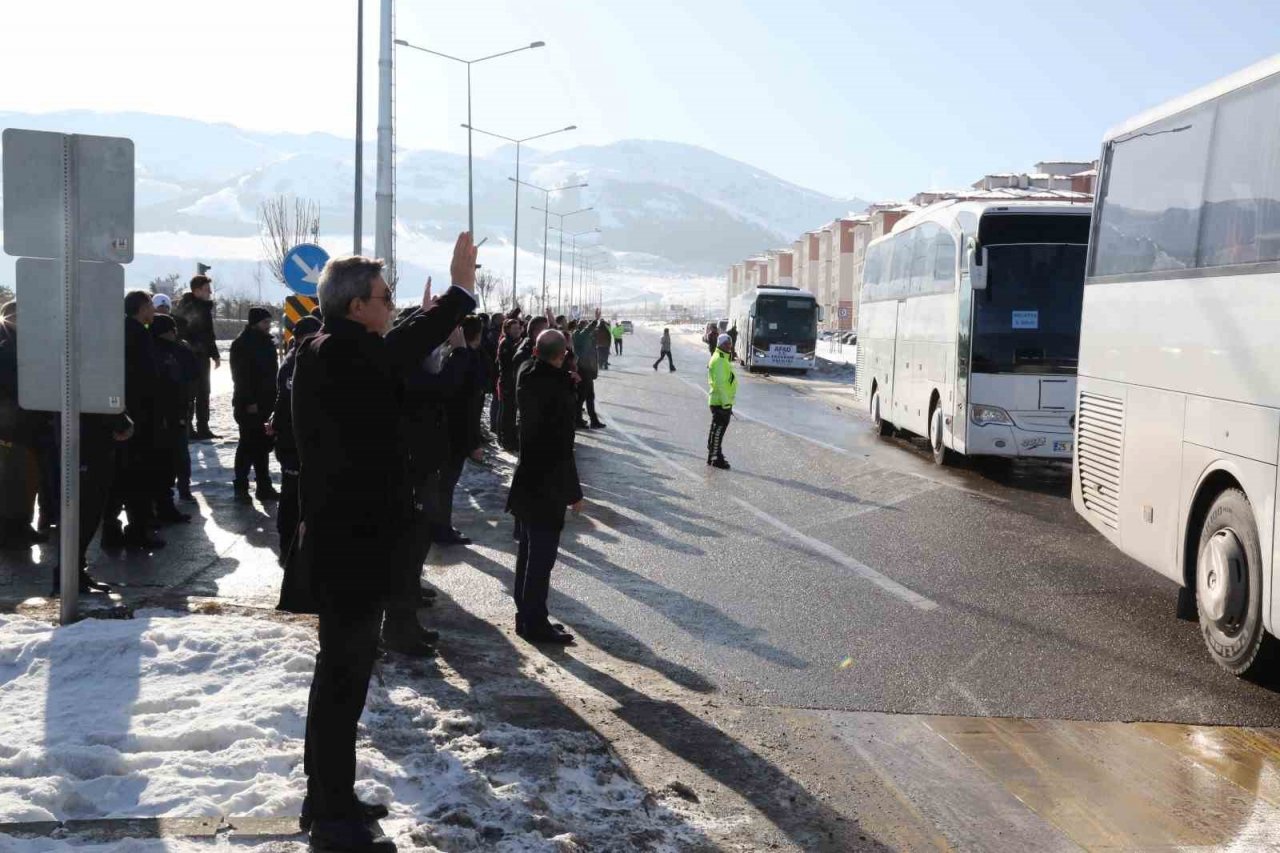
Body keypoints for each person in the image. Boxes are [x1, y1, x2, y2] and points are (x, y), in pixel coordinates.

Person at [279, 235, 476, 853]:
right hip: (351, 548)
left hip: (348, 543)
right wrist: (459, 292)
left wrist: (429, 310)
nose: (392, 306)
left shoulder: (334, 349)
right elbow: (399, 352)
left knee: (342, 682)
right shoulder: (343, 353)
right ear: (356, 306)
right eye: (386, 298)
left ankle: (328, 797)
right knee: (342, 684)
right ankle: (331, 817)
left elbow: (394, 349)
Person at [507, 328, 583, 645]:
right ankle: (535, 623)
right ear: (562, 356)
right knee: (540, 560)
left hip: (526, 480)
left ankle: (525, 616)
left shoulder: (526, 375)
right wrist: (574, 493)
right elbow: (562, 448)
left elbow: (533, 359)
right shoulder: (558, 394)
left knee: (527, 555)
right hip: (547, 485)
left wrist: (565, 375)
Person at [103, 291, 164, 550]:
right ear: (142, 307)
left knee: (119, 477)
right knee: (137, 476)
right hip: (137, 416)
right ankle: (138, 531)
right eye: (150, 305)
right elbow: (144, 378)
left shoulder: (123, 331)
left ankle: (111, 530)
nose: (154, 309)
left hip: (127, 414)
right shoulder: (137, 334)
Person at [270, 315, 321, 564]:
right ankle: (288, 548)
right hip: (294, 444)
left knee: (301, 497)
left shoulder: (301, 360)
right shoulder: (295, 364)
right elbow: (286, 405)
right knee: (292, 498)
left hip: (299, 441)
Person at [0, 302, 51, 548]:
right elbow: (16, 385)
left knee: (26, 479)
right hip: (13, 425)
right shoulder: (7, 347)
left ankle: (20, 525)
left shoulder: (18, 344)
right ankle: (11, 531)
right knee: (15, 479)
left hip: (24, 423)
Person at [435, 316, 487, 546]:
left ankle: (439, 526)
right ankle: (442, 529)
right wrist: (474, 443)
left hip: (445, 429)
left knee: (443, 484)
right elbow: (469, 407)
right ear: (478, 335)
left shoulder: (451, 355)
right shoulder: (468, 360)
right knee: (446, 484)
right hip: (456, 433)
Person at [230, 307, 280, 501]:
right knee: (247, 446)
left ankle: (263, 486)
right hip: (249, 405)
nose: (268, 326)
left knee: (262, 446)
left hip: (266, 403)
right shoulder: (242, 344)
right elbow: (240, 377)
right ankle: (241, 487)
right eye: (264, 322)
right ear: (254, 323)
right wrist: (249, 401)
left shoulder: (267, 343)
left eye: (269, 322)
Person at [149, 315, 193, 524]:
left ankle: (163, 505)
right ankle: (162, 507)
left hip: (170, 415)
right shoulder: (163, 352)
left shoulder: (169, 350)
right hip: (166, 417)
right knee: (167, 462)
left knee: (169, 462)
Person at [175, 275, 220, 439]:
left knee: (204, 392)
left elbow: (209, 334)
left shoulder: (205, 308)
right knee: (190, 394)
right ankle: (188, 428)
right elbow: (182, 333)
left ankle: (203, 427)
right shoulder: (186, 307)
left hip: (203, 357)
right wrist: (193, 347)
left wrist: (214, 354)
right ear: (197, 290)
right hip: (189, 357)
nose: (210, 292)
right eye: (207, 289)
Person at [707, 333, 737, 470]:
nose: (729, 346)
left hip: (722, 401)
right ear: (720, 344)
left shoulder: (723, 358)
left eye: (730, 343)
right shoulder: (719, 359)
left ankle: (715, 454)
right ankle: (715, 458)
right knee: (718, 431)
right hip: (720, 401)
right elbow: (720, 384)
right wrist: (726, 403)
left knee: (717, 430)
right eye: (726, 344)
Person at [570, 314, 605, 429]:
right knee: (581, 397)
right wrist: (595, 321)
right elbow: (586, 332)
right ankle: (578, 420)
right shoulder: (578, 335)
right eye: (585, 325)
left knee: (589, 396)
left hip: (587, 370)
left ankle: (593, 420)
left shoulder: (584, 337)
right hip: (582, 370)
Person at [496, 318, 524, 451]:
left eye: (518, 328)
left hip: (512, 382)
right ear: (507, 330)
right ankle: (506, 440)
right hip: (507, 383)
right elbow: (508, 364)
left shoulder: (514, 342)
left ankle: (509, 438)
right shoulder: (506, 343)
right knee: (507, 414)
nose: (517, 331)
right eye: (514, 329)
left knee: (510, 413)